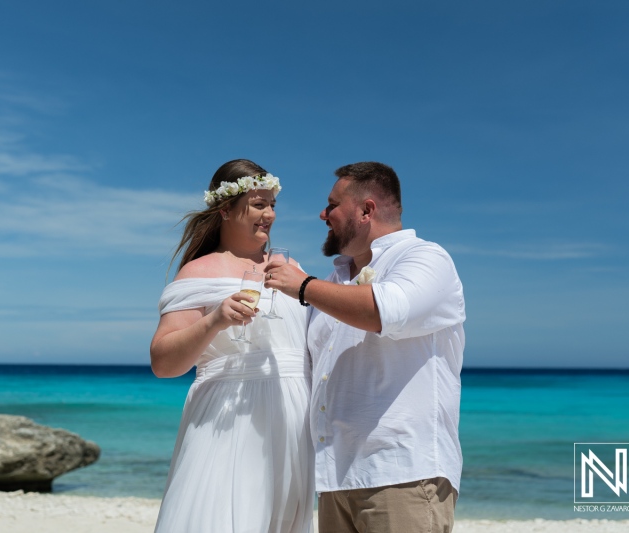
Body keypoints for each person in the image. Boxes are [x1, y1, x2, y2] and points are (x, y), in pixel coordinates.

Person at [264, 161, 465, 533]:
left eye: (332, 205)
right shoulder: (336, 279)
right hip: (333, 480)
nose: (322, 214)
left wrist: (303, 286)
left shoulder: (424, 258)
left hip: (402, 475)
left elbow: (385, 310)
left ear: (366, 210)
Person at [150, 159, 314, 533]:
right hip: (226, 422)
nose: (269, 214)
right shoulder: (199, 271)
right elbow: (162, 362)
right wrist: (215, 320)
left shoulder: (290, 267)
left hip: (292, 423)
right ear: (225, 209)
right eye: (259, 204)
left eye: (273, 204)